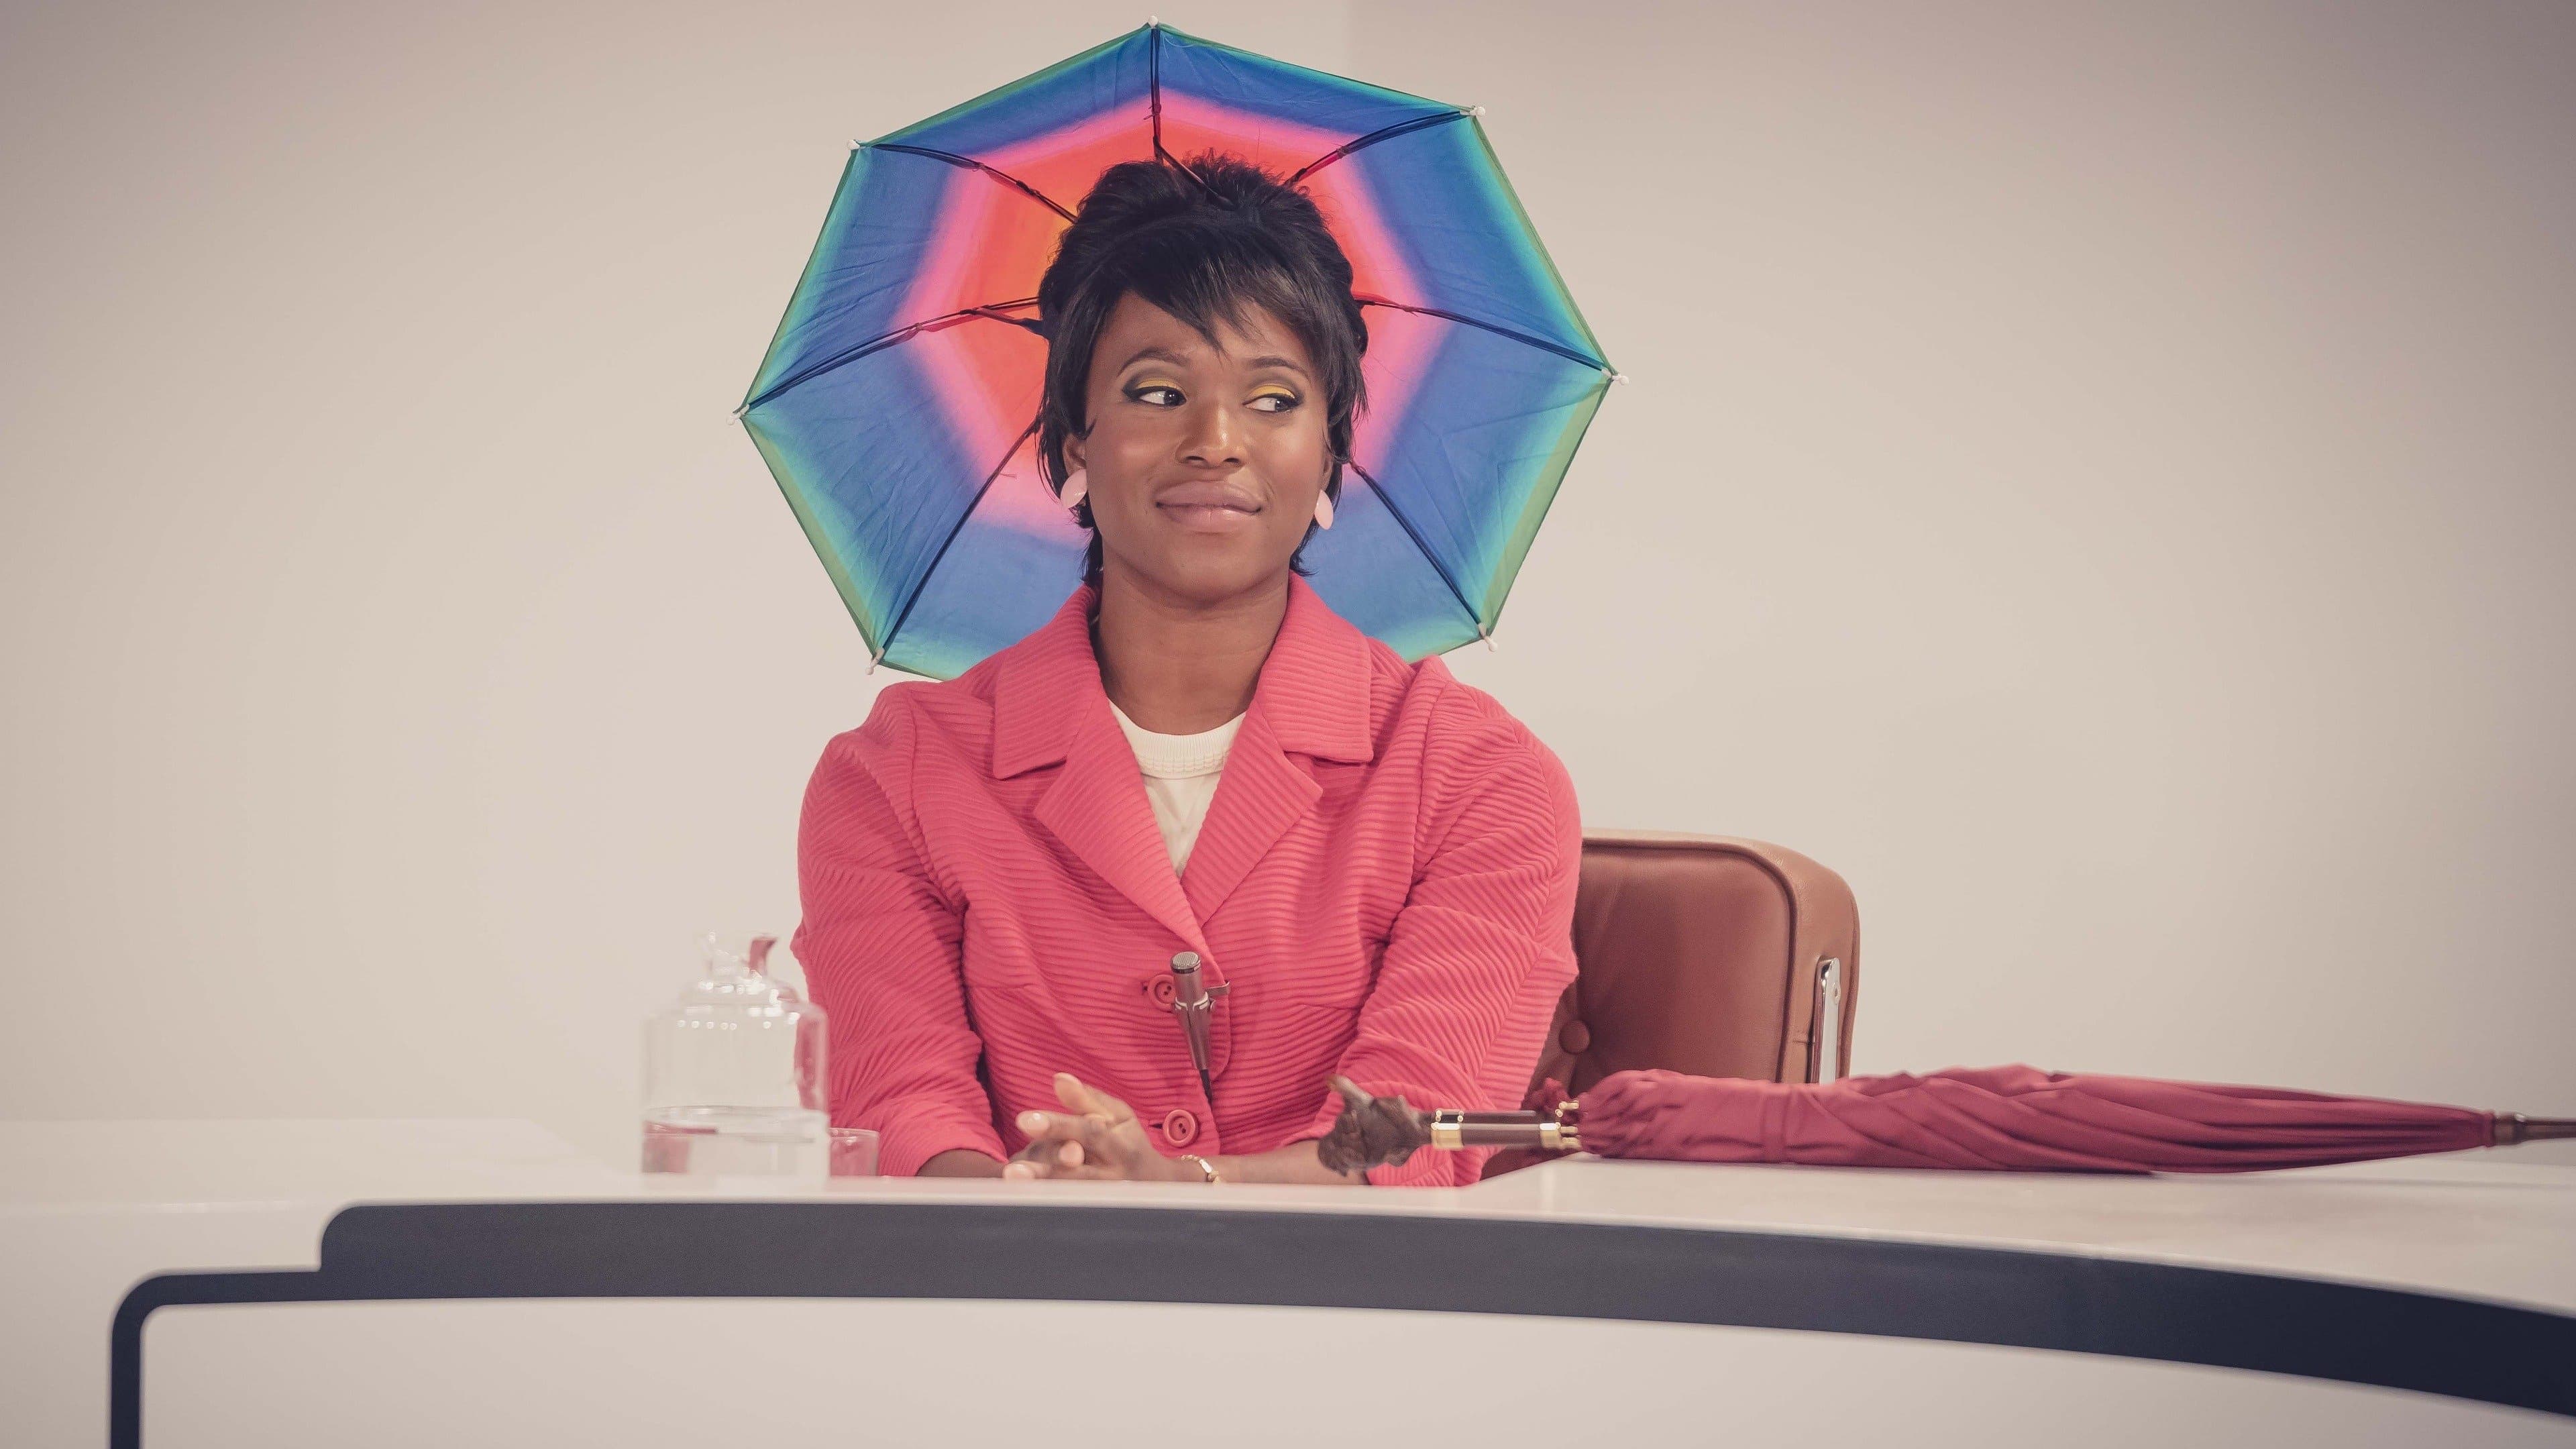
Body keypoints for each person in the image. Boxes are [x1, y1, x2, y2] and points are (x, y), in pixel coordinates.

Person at [791, 151, 1582, 1187]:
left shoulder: (1482, 778)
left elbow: (1416, 1141)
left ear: (1330, 451)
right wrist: (1045, 1220)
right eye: (1158, 392)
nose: (1215, 442)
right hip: (1004, 1282)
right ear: (1076, 440)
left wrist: (1176, 1193)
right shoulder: (893, 774)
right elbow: (899, 1108)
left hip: (1360, 1293)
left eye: (1275, 399)